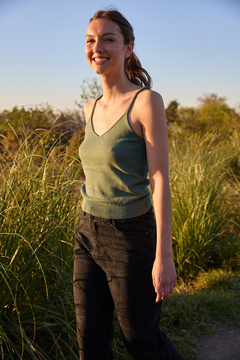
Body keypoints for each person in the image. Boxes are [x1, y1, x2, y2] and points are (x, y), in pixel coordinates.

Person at [73, 9, 185, 360]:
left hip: (131, 235)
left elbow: (160, 179)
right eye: (91, 40)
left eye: (108, 38)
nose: (97, 47)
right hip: (87, 230)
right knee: (90, 341)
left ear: (128, 47)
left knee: (140, 342)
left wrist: (163, 255)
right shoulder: (89, 107)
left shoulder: (146, 102)